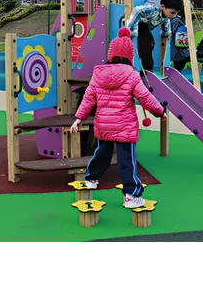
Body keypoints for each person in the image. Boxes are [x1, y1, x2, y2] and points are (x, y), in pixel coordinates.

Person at [70, 27, 166, 209]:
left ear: (111, 54)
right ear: (130, 56)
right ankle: (130, 195)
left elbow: (88, 98)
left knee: (101, 154)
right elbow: (145, 98)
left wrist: (78, 118)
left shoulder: (99, 74)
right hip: (125, 128)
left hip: (104, 126)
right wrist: (159, 112)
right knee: (126, 161)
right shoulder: (131, 75)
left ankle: (91, 178)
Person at [127, 0, 184, 72]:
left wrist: (166, 32)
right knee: (148, 42)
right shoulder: (153, 10)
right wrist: (131, 30)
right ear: (163, 6)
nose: (174, 16)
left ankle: (145, 67)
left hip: (145, 26)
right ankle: (148, 69)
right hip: (139, 23)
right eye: (173, 13)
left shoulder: (166, 13)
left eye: (176, 13)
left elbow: (165, 20)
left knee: (146, 43)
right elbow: (137, 10)